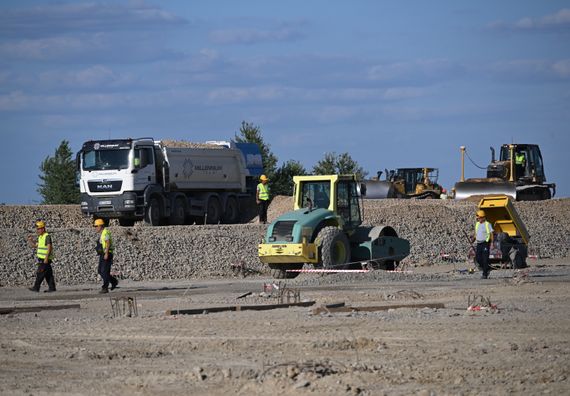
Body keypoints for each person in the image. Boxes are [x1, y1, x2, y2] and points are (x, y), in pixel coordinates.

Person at [27, 221, 56, 292]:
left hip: (45, 259)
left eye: (38, 229)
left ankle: (36, 288)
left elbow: (49, 247)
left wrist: (46, 258)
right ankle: (52, 288)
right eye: (37, 229)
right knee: (48, 274)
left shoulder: (47, 236)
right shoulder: (41, 237)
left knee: (40, 273)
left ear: (43, 229)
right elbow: (35, 246)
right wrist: (30, 240)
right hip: (41, 259)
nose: (37, 230)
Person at [94, 219, 118, 293]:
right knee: (100, 271)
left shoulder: (106, 232)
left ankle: (105, 288)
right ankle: (113, 281)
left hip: (107, 253)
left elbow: (108, 243)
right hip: (103, 254)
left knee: (104, 271)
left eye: (96, 226)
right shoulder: (102, 233)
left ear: (100, 226)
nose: (95, 228)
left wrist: (106, 253)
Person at [473, 209, 494, 279]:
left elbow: (491, 234)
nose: (478, 219)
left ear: (482, 217)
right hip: (479, 244)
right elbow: (476, 233)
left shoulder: (488, 224)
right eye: (477, 218)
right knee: (478, 259)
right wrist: (473, 239)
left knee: (485, 259)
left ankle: (485, 274)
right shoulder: (477, 224)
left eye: (479, 218)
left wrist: (492, 243)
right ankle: (487, 268)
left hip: (485, 243)